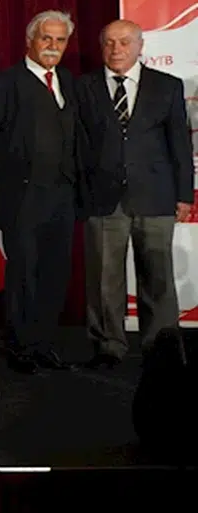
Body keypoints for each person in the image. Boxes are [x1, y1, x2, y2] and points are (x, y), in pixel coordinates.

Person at [76, 19, 194, 369]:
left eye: (125, 42)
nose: (116, 49)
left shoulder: (167, 86)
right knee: (104, 279)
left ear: (140, 47)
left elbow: (180, 145)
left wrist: (184, 195)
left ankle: (160, 347)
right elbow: (77, 145)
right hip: (102, 199)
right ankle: (108, 346)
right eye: (109, 42)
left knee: (158, 278)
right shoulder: (83, 87)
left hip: (156, 196)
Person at [0, 10, 80, 374]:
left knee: (54, 273)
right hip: (21, 198)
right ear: (30, 40)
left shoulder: (68, 81)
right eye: (46, 38)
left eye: (60, 40)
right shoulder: (5, 83)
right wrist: (9, 181)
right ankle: (21, 347)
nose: (53, 46)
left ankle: (44, 344)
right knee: (24, 274)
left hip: (62, 196)